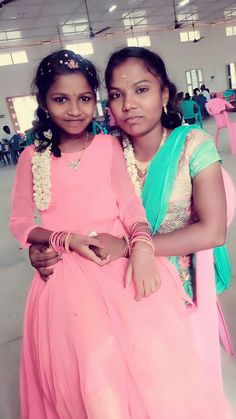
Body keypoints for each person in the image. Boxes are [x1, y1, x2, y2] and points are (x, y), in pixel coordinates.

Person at [15, 49, 232, 418]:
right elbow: (37, 217)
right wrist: (45, 244)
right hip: (96, 277)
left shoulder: (191, 145)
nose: (128, 104)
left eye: (142, 90)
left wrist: (135, 248)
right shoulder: (111, 145)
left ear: (165, 94)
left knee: (168, 385)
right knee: (99, 376)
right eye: (116, 95)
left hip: (174, 280)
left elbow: (212, 231)